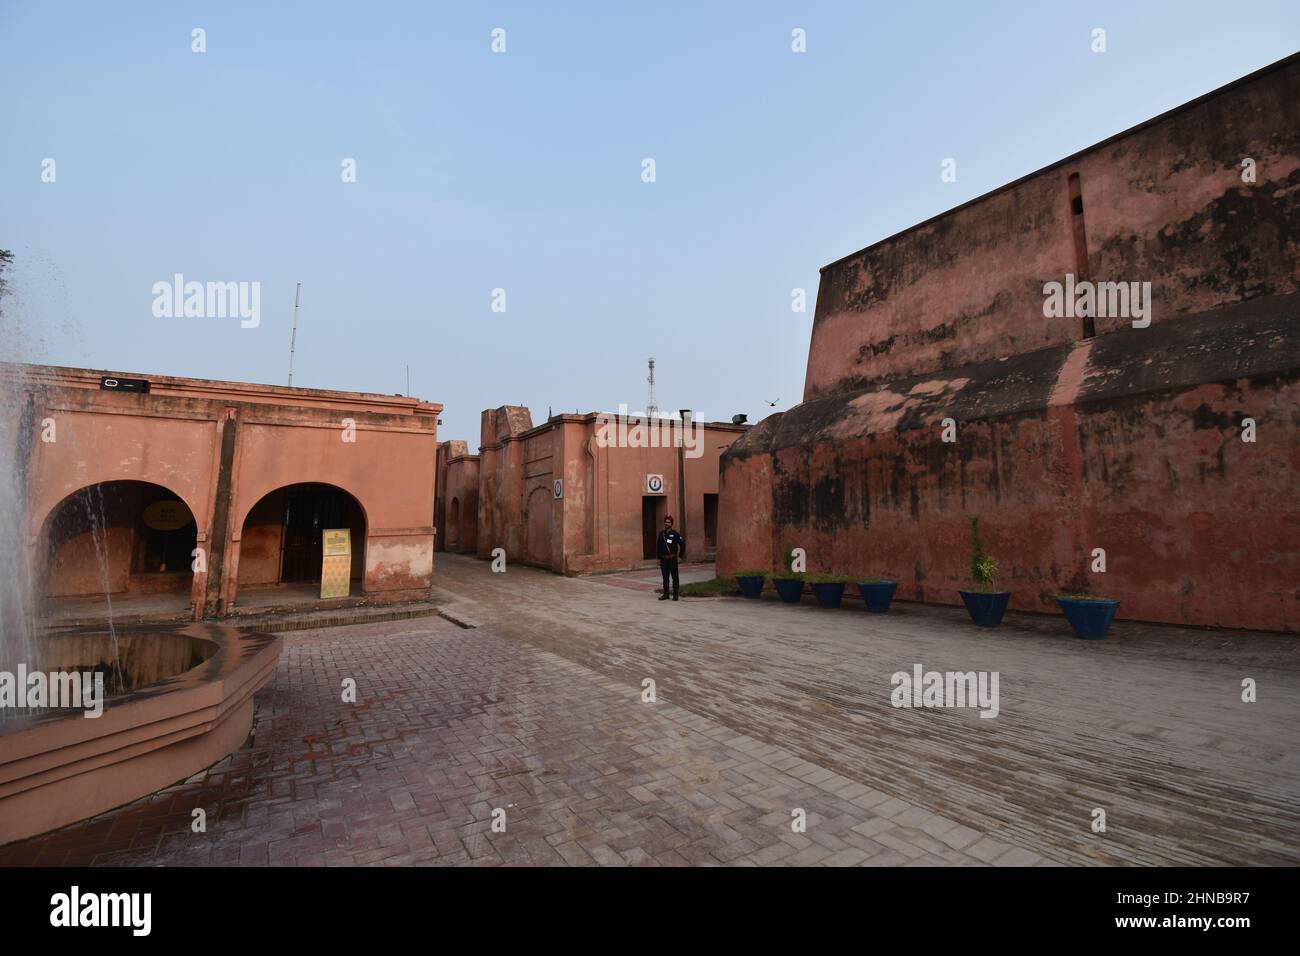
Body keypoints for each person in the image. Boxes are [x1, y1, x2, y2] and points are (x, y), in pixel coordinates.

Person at [655, 515, 685, 601]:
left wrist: (680, 556)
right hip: (664, 559)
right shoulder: (661, 534)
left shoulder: (675, 534)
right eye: (666, 522)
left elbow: (682, 544)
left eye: (669, 522)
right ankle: (666, 594)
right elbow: (658, 546)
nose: (667, 523)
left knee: (675, 577)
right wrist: (658, 559)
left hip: (672, 559)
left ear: (671, 524)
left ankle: (675, 595)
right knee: (665, 577)